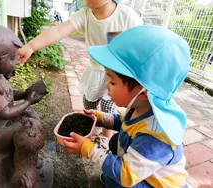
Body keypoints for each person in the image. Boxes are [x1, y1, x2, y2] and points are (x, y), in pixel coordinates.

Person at [63, 25, 190, 187]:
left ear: (143, 93)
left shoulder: (156, 137)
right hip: (139, 169)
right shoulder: (142, 106)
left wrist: (88, 149)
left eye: (112, 81)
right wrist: (99, 118)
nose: (106, 86)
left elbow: (126, 175)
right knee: (115, 141)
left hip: (154, 183)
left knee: (121, 180)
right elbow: (122, 121)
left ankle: (112, 180)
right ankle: (111, 177)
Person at [18, 0, 143, 139]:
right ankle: (89, 132)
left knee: (109, 107)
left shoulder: (127, 16)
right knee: (89, 104)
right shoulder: (84, 15)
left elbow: (142, 45)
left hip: (117, 74)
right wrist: (31, 46)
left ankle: (105, 138)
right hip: (95, 70)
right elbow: (58, 31)